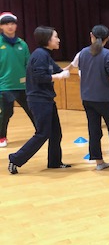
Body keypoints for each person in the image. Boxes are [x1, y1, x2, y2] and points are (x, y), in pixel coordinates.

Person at [8, 26, 70, 174]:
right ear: (47, 39)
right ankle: (15, 159)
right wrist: (58, 77)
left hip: (46, 98)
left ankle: (55, 162)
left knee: (55, 132)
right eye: (55, 37)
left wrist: (76, 65)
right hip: (38, 100)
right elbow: (40, 77)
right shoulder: (40, 55)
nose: (58, 40)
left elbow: (60, 71)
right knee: (43, 133)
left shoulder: (46, 55)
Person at [77, 24, 109, 172]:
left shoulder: (83, 53)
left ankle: (99, 162)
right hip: (105, 98)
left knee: (94, 130)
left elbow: (81, 73)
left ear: (91, 35)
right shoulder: (108, 55)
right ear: (107, 38)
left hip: (87, 98)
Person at [0, 12, 35, 148]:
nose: (10, 26)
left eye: (12, 24)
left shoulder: (22, 44)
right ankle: (1, 136)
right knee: (7, 112)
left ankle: (42, 132)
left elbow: (28, 64)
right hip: (4, 86)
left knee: (32, 109)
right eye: (6, 24)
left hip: (22, 85)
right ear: (1, 26)